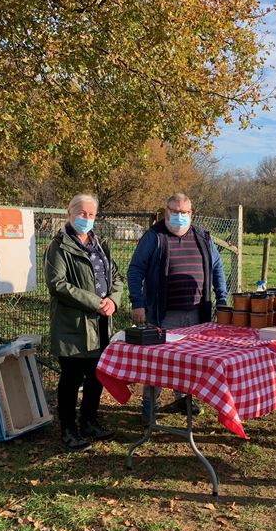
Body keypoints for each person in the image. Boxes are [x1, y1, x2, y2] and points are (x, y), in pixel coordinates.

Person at [128, 193, 228, 420]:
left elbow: (217, 268)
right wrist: (138, 302)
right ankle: (149, 407)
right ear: (166, 212)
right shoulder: (154, 237)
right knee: (158, 363)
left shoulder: (203, 237)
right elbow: (135, 270)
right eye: (175, 211)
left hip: (196, 313)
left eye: (184, 212)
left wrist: (222, 299)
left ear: (191, 214)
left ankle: (184, 400)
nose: (179, 216)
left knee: (190, 361)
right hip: (163, 314)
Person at [44, 194, 124, 450]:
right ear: (70, 213)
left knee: (96, 375)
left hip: (101, 323)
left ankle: (89, 421)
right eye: (81, 213)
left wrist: (114, 299)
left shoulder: (100, 245)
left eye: (91, 214)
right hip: (73, 325)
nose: (86, 218)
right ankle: (68, 429)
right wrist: (94, 302)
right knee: (71, 377)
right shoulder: (59, 246)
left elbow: (116, 277)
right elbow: (57, 285)